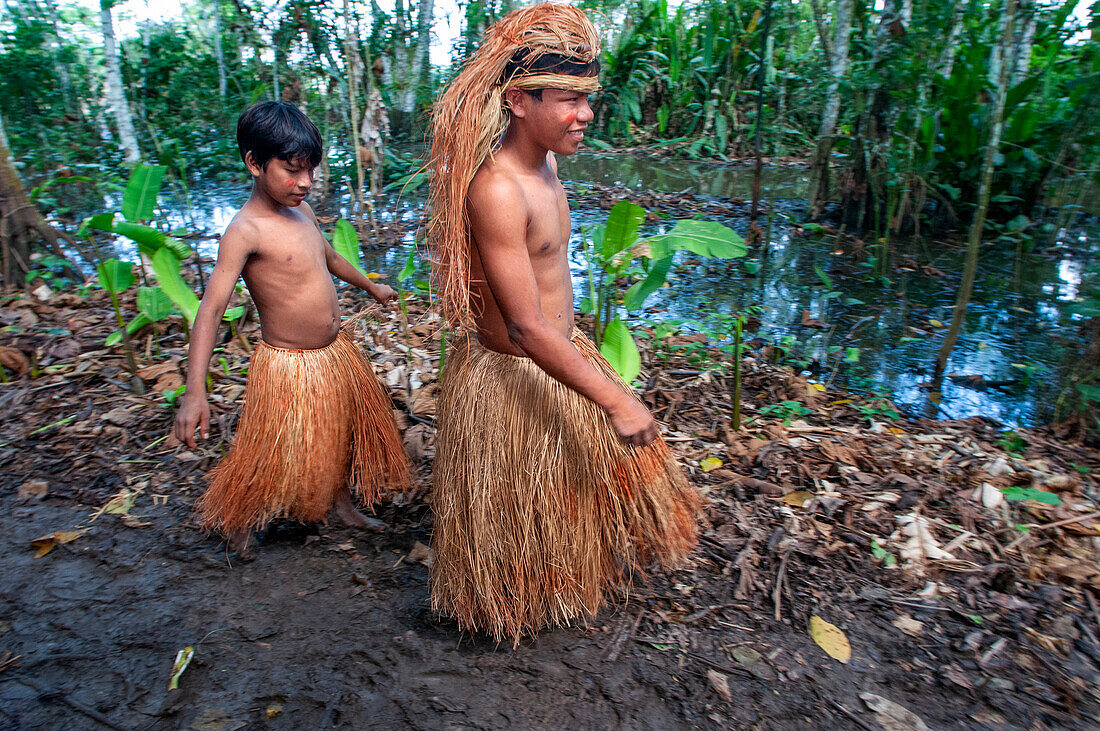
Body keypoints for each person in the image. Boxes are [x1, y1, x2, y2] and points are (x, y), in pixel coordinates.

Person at [427, 2, 700, 644]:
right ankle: (505, 606)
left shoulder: (546, 165)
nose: (585, 116)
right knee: (516, 510)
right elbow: (524, 327)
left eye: (588, 99)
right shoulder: (497, 188)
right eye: (568, 99)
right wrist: (616, 398)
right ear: (520, 101)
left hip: (555, 355)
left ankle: (556, 585)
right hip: (513, 370)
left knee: (558, 499)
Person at [173, 101, 410, 556]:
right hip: (288, 366)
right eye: (292, 170)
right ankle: (240, 518)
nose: (304, 182)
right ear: (254, 163)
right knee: (269, 453)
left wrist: (372, 286)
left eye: (311, 171)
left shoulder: (301, 213)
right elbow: (211, 308)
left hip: (333, 355)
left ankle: (339, 503)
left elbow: (331, 258)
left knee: (337, 432)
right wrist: (194, 391)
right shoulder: (246, 230)